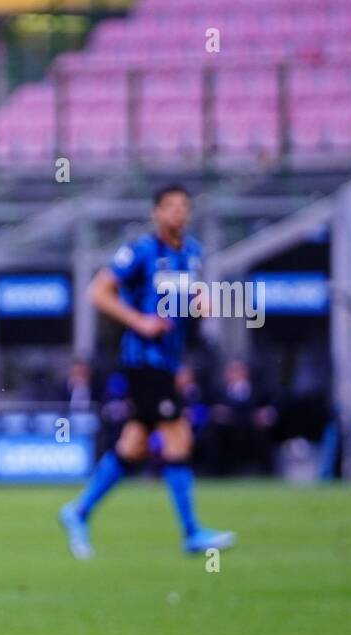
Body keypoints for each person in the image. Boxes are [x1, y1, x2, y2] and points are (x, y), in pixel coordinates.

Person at [59, 184, 234, 558]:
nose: (177, 213)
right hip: (143, 362)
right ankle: (191, 533)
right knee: (178, 436)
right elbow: (98, 292)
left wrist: (202, 303)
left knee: (134, 445)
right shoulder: (140, 251)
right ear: (156, 212)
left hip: (168, 364)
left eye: (183, 206)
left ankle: (78, 511)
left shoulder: (193, 253)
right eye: (170, 206)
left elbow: (189, 301)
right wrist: (138, 320)